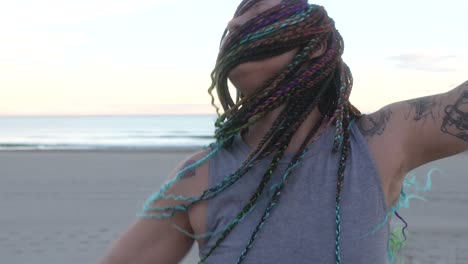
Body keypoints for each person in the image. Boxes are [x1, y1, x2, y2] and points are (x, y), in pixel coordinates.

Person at [98, 0, 468, 263]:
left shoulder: (381, 140)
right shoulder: (199, 179)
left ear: (318, 45)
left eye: (262, 8)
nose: (238, 20)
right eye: (235, 19)